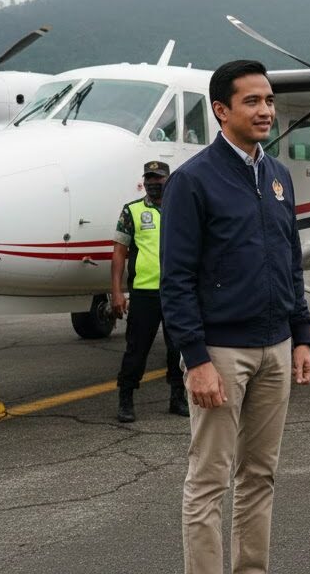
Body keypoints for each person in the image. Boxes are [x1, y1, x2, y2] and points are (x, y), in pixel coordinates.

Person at [160, 59, 310, 574]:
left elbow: (290, 261)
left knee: (260, 475)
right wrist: (196, 359)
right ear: (221, 110)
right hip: (221, 353)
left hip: (276, 347)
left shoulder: (278, 176)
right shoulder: (192, 181)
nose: (266, 110)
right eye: (252, 101)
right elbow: (176, 279)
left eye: (269, 100)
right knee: (209, 480)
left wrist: (301, 336)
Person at [111, 160, 186, 423]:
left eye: (158, 178)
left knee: (178, 348)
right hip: (145, 293)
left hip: (177, 292)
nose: (153, 183)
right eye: (149, 178)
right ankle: (126, 398)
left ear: (169, 180)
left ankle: (177, 397)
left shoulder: (183, 208)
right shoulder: (132, 211)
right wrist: (117, 292)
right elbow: (119, 253)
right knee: (136, 349)